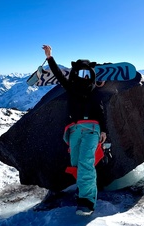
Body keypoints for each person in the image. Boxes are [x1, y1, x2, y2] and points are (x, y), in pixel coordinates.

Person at [42, 45, 107, 216]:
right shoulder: (71, 87)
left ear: (91, 74)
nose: (83, 77)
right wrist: (50, 57)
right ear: (75, 73)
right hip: (74, 130)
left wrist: (104, 129)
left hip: (92, 129)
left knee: (86, 162)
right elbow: (57, 74)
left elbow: (101, 110)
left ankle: (87, 201)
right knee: (77, 164)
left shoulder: (94, 90)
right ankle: (83, 190)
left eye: (86, 73)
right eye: (80, 73)